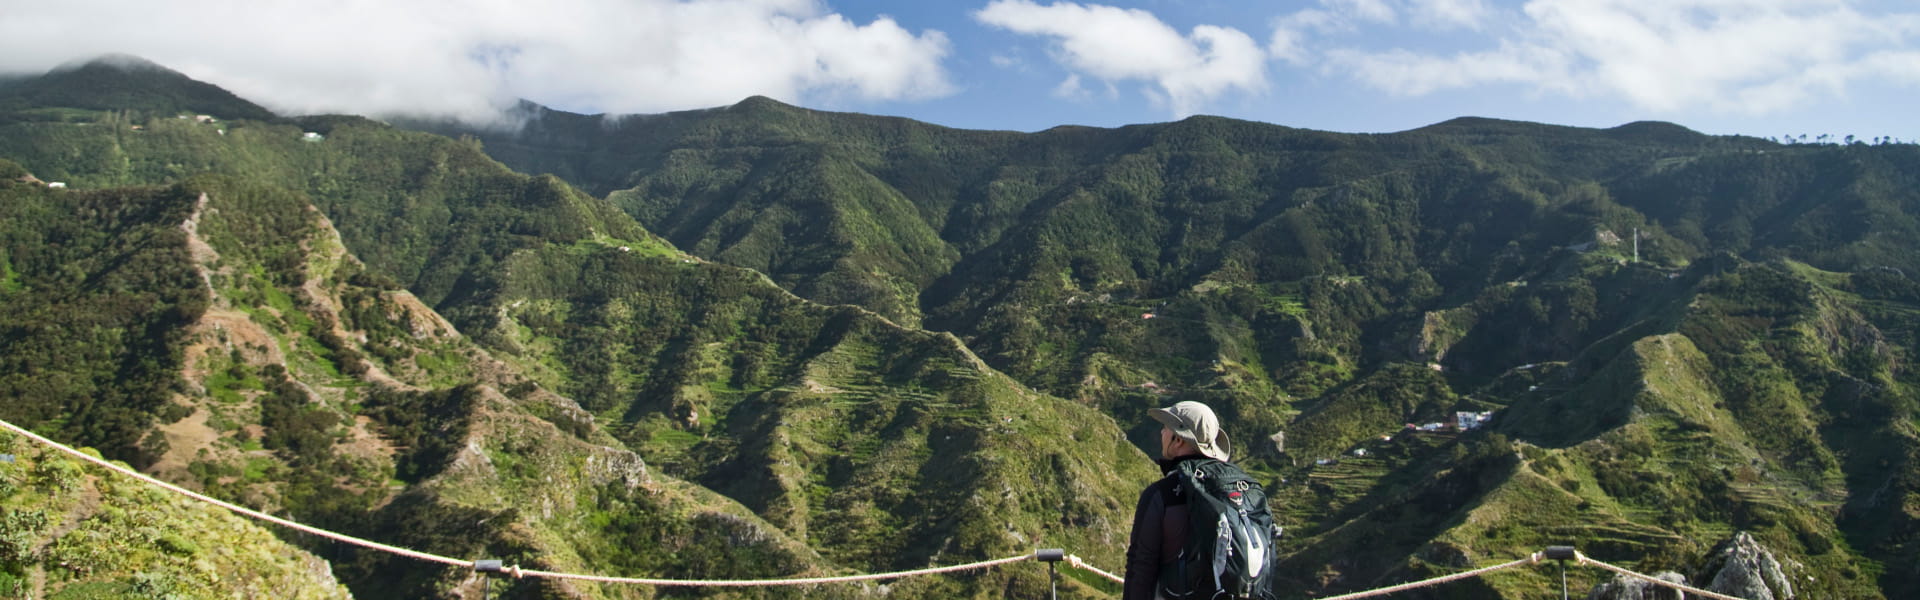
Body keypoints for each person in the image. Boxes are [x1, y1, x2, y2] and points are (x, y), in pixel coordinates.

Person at [1123, 400, 1234, 600]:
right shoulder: (1237, 489)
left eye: (1166, 428)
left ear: (1179, 439)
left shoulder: (1161, 495)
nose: (1162, 433)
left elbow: (1141, 567)